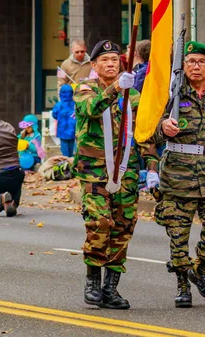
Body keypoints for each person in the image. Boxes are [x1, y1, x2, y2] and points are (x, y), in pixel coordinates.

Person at [74, 40, 158, 310]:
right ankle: (92, 283)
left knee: (123, 227)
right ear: (94, 65)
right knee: (100, 222)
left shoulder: (132, 96)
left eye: (114, 60)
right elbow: (92, 108)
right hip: (95, 171)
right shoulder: (85, 89)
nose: (110, 64)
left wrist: (153, 166)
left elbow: (144, 134)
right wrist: (116, 88)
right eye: (105, 60)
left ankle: (111, 288)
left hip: (127, 171)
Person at [154, 41, 205, 308]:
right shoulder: (171, 93)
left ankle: (201, 266)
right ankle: (183, 284)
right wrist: (163, 126)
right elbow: (148, 132)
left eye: (201, 61)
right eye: (191, 62)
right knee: (178, 235)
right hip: (178, 175)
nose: (196, 66)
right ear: (182, 66)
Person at [52, 83, 76, 157]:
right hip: (73, 130)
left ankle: (66, 165)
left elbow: (54, 115)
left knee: (64, 152)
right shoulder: (75, 104)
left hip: (62, 131)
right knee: (72, 150)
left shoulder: (58, 105)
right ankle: (72, 164)